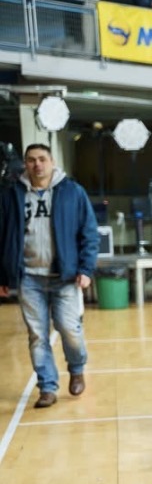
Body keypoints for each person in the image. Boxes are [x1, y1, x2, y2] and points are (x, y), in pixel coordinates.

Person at [0, 144, 97, 409]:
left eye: (42, 159)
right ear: (25, 164)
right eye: (31, 160)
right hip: (28, 277)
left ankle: (76, 369)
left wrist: (86, 269)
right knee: (37, 335)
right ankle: (47, 386)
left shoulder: (73, 192)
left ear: (52, 161)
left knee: (69, 329)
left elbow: (89, 232)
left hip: (65, 276)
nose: (37, 165)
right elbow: (3, 236)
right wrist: (4, 276)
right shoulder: (12, 195)